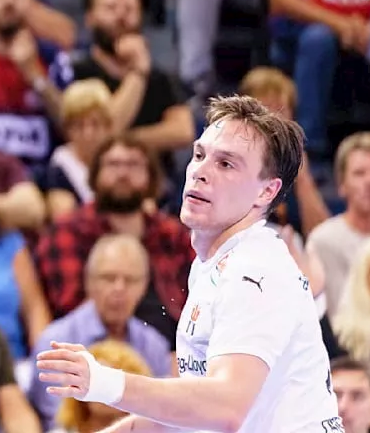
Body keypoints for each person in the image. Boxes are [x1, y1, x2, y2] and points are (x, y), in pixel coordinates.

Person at [35, 95, 340, 432]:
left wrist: (103, 381)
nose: (200, 172)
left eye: (226, 164)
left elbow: (225, 407)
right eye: (199, 155)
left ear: (266, 192)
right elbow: (193, 413)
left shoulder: (253, 271)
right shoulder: (216, 262)